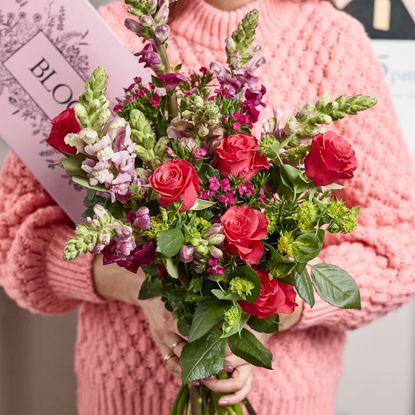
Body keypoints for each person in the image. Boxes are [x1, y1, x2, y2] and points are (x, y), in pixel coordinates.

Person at [1, 0, 415, 414]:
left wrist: (273, 307)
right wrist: (138, 286)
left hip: (283, 404)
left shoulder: (331, 41)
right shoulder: (106, 33)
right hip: (125, 401)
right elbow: (11, 239)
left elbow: (402, 240)